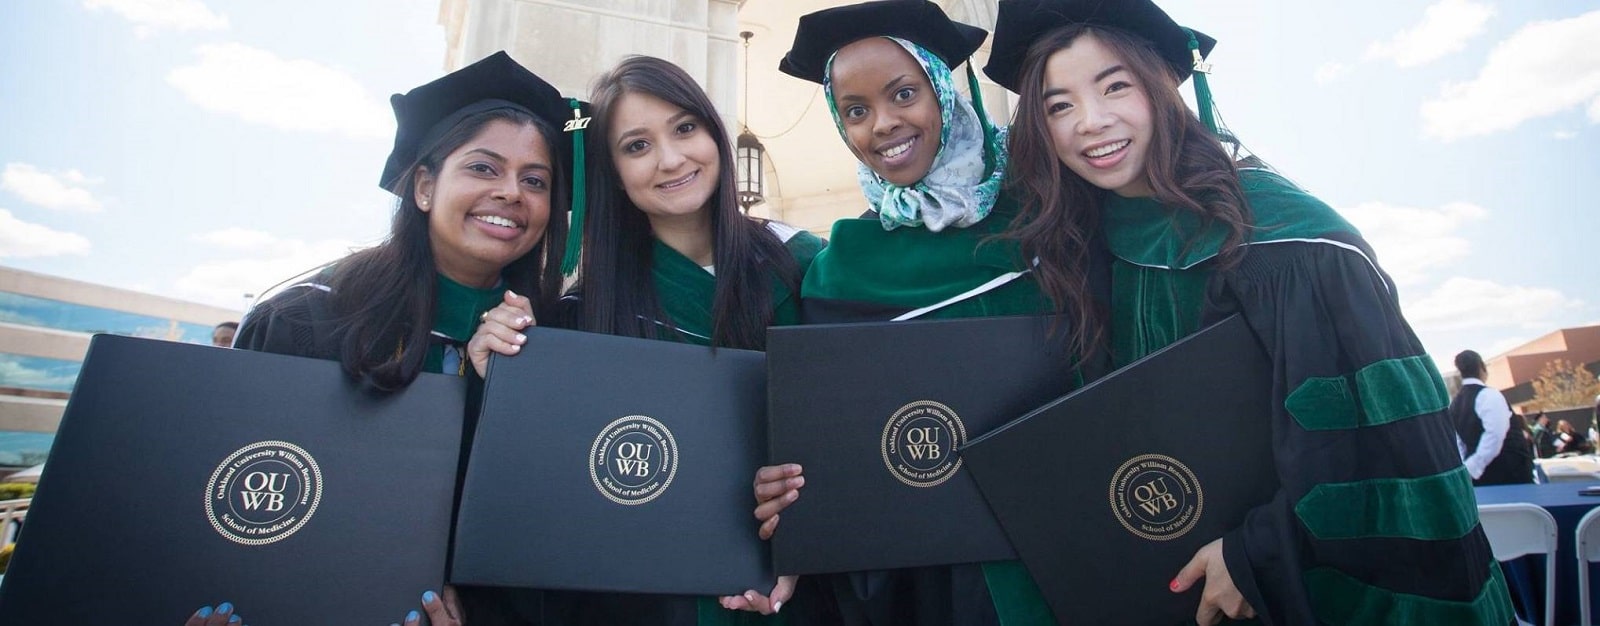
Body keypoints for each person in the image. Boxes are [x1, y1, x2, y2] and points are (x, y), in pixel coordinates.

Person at [981, 0, 1512, 624]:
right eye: (1058, 104)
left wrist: (1258, 551)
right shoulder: (1087, 252)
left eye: (1114, 86)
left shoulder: (1291, 243)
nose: (1090, 123)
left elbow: (1383, 449)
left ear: (1162, 87)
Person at [213, 50, 580, 626]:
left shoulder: (559, 341)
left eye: (535, 181)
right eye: (483, 168)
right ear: (425, 186)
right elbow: (242, 498)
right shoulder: (308, 318)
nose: (512, 192)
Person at [750, 2, 1079, 625]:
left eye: (904, 93)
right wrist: (789, 497)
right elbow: (825, 431)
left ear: (944, 93)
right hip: (928, 574)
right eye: (855, 111)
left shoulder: (1049, 210)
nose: (883, 125)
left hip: (1067, 536)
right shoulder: (843, 265)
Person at [468, 55, 822, 625]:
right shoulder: (581, 315)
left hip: (803, 594)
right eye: (637, 146)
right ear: (611, 170)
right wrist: (503, 374)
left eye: (685, 128)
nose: (672, 158)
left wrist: (806, 533)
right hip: (649, 604)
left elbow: (843, 427)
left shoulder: (804, 267)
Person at [1450, 350, 1532, 485]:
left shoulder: (1455, 403)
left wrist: (1466, 467)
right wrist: (1474, 466)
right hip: (1509, 474)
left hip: (1479, 479)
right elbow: (1495, 434)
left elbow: (1459, 442)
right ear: (1482, 367)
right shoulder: (1489, 395)